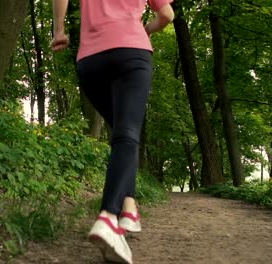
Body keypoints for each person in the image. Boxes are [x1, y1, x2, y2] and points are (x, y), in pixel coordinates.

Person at [51, 0, 174, 263]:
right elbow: (166, 15)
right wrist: (146, 30)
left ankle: (128, 209)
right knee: (127, 134)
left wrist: (59, 30)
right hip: (132, 51)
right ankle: (108, 216)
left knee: (121, 133)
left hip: (90, 61)